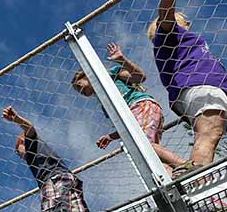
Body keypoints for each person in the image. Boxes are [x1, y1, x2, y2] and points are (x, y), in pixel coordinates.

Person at [71, 42, 187, 175]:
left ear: (87, 76)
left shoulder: (111, 75)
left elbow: (140, 77)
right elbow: (124, 126)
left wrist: (121, 60)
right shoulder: (105, 105)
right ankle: (173, 176)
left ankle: (184, 165)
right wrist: (110, 137)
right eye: (78, 91)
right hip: (134, 117)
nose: (80, 91)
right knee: (147, 155)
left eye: (79, 86)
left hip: (141, 106)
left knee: (144, 145)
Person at [149, 0, 227, 175]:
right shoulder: (169, 34)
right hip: (200, 87)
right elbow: (165, 12)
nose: (188, 22)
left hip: (209, 89)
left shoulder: (177, 42)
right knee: (210, 129)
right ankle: (195, 177)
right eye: (183, 19)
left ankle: (195, 173)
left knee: (212, 131)